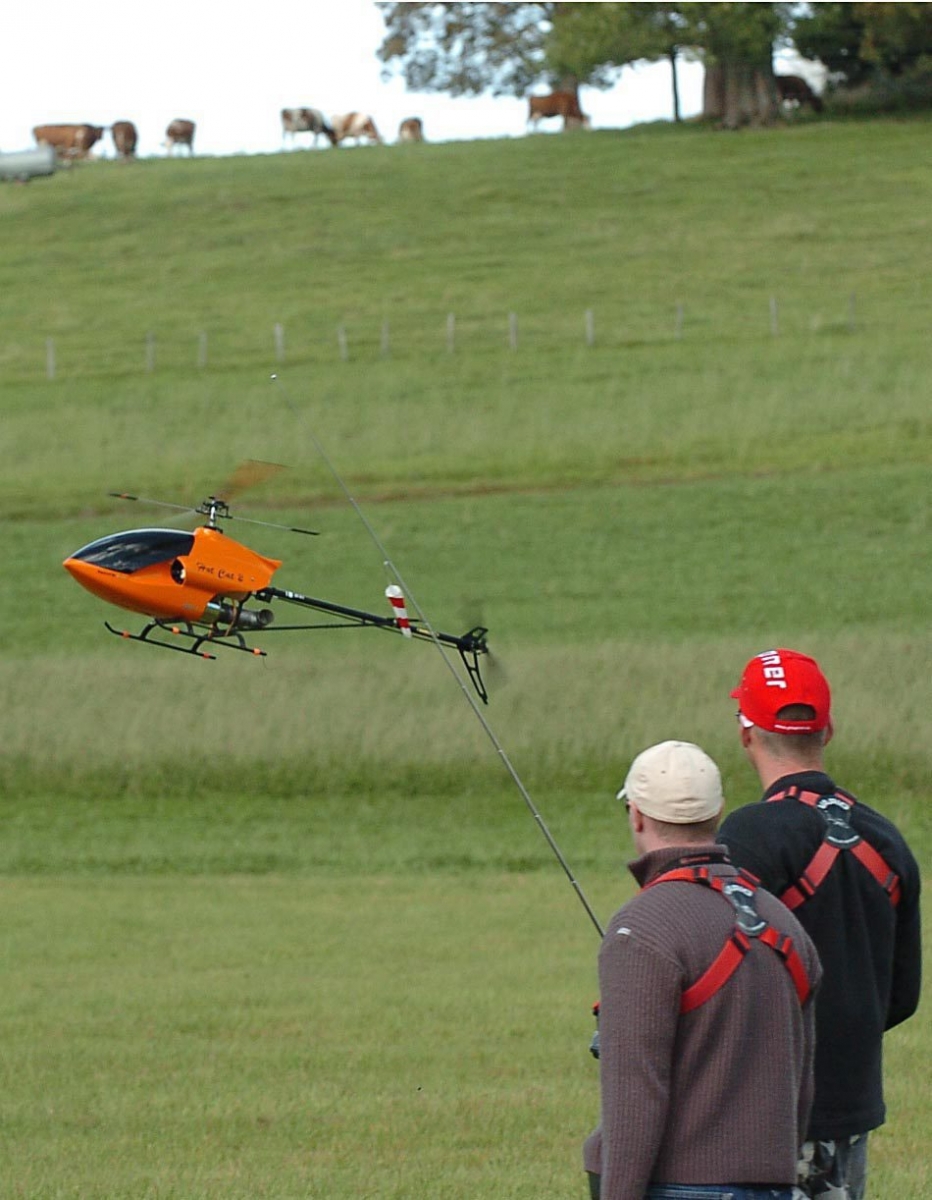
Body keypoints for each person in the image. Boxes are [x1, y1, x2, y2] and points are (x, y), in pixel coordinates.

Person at [721, 648, 922, 1200]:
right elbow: (901, 997)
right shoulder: (886, 840)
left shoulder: (746, 836)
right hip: (850, 1102)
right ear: (827, 729)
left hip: (763, 1108)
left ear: (746, 733)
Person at [583, 739, 822, 1200]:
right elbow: (803, 1080)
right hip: (774, 1183)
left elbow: (635, 1090)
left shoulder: (642, 926)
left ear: (636, 814)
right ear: (718, 813)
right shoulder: (782, 921)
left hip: (679, 1186)